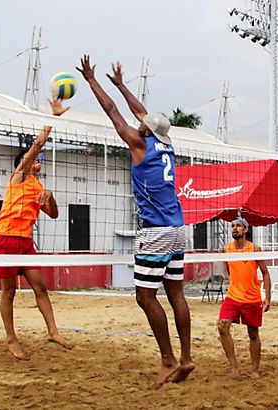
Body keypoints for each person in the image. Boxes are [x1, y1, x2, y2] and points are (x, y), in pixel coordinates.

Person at [77, 55, 194, 387]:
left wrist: (92, 81)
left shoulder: (140, 143)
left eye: (142, 121)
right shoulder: (164, 144)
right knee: (176, 294)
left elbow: (114, 113)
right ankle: (186, 357)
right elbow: (142, 113)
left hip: (155, 232)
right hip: (177, 228)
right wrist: (121, 83)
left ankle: (169, 360)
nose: (139, 119)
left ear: (145, 130)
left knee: (145, 297)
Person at [0, 99, 73, 360]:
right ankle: (11, 338)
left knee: (40, 287)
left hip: (24, 241)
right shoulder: (19, 177)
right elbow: (37, 144)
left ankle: (53, 332)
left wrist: (50, 198)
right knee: (9, 291)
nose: (38, 161)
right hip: (5, 238)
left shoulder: (39, 187)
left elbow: (54, 215)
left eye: (39, 160)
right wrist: (53, 119)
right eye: (33, 159)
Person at [217, 217, 271, 379]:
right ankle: (234, 367)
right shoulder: (226, 249)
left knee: (253, 334)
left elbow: (265, 273)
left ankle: (254, 370)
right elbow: (228, 269)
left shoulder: (254, 249)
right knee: (222, 327)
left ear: (246, 230)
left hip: (252, 298)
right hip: (233, 296)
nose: (234, 228)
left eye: (238, 226)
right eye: (232, 226)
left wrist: (267, 297)